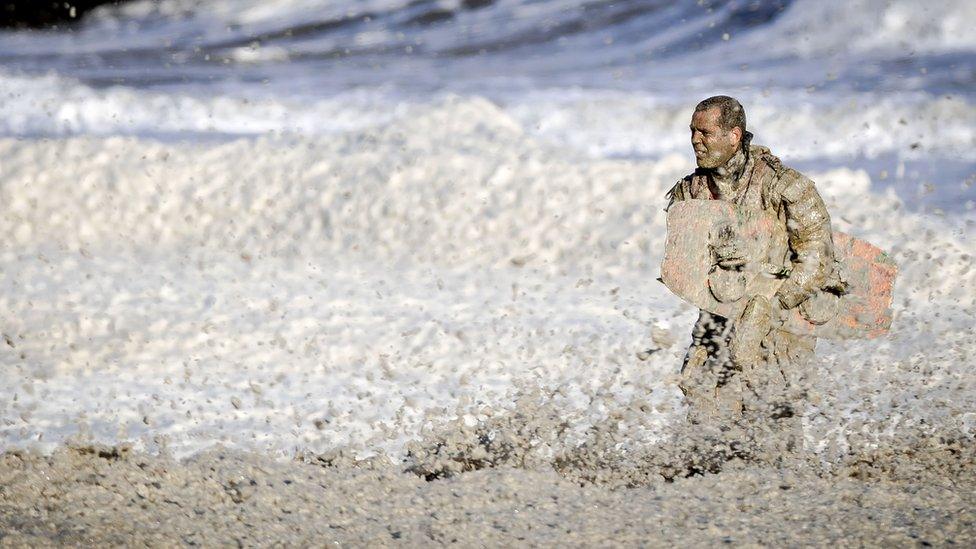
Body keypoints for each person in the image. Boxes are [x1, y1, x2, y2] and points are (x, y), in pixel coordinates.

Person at [665, 95, 840, 426]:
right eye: (692, 131)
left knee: (773, 423)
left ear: (734, 135)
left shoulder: (784, 185)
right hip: (719, 317)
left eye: (704, 132)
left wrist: (773, 305)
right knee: (705, 416)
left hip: (779, 323)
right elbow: (685, 262)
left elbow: (819, 253)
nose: (695, 140)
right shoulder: (690, 192)